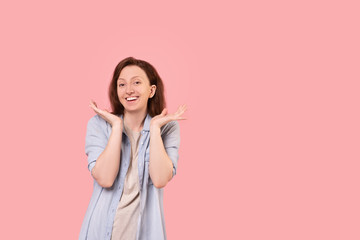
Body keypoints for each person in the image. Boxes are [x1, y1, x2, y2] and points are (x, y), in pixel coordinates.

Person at [79, 57, 186, 240]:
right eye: (122, 84)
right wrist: (116, 127)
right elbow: (104, 178)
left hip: (146, 233)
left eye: (137, 82)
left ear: (151, 90)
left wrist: (153, 129)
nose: (129, 90)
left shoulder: (167, 128)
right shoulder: (99, 125)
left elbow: (160, 179)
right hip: (100, 232)